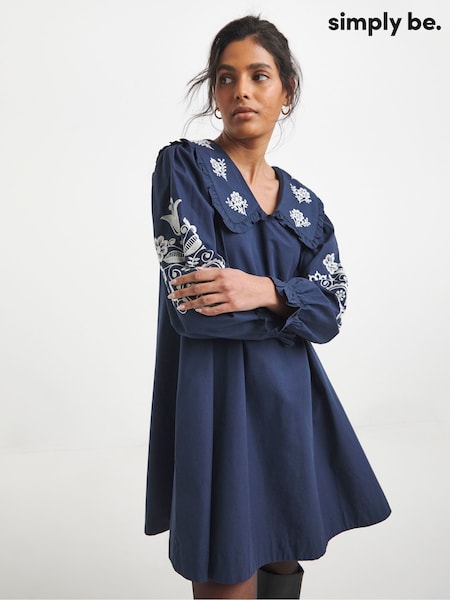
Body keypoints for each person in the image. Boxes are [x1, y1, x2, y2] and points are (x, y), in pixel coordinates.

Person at [145, 15, 391, 600]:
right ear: (214, 92)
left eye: (259, 75)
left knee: (284, 559)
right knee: (227, 567)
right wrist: (294, 306)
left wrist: (268, 292)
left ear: (287, 90)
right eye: (226, 78)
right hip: (217, 404)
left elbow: (331, 313)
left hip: (291, 405)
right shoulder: (184, 168)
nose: (242, 91)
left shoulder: (306, 204)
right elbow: (196, 305)